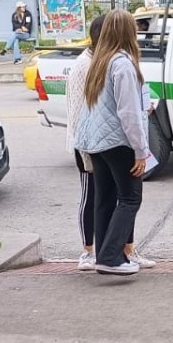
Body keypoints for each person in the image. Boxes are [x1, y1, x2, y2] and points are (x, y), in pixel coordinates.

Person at [67, 16, 155, 272]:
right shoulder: (122, 64)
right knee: (130, 198)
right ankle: (112, 257)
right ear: (128, 32)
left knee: (104, 198)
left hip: (96, 142)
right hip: (118, 142)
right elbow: (128, 112)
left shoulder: (98, 62)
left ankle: (104, 256)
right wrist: (141, 151)